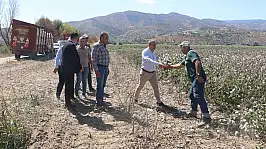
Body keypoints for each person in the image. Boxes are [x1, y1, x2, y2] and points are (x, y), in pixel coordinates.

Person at [165, 41, 212, 125]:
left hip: (198, 78)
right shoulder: (187, 56)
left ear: (185, 47)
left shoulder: (191, 53)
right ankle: (193, 112)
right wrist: (170, 66)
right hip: (195, 78)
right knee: (192, 95)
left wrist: (197, 74)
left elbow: (197, 62)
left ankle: (206, 117)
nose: (181, 50)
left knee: (198, 96)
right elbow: (180, 65)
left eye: (181, 48)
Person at [134, 40, 167, 107]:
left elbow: (153, 62)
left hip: (153, 73)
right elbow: (149, 60)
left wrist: (159, 65)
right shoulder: (145, 52)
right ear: (149, 45)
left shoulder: (153, 51)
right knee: (140, 86)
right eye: (153, 45)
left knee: (156, 87)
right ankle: (135, 99)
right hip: (145, 73)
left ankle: (159, 101)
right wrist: (158, 64)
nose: (155, 46)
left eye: (155, 45)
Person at [60, 32, 82, 109]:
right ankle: (68, 103)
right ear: (75, 38)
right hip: (69, 69)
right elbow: (75, 58)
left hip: (65, 68)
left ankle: (68, 101)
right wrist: (79, 68)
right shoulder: (71, 46)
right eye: (77, 39)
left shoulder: (65, 45)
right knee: (69, 86)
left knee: (67, 85)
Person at [91, 32, 110, 107]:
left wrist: (107, 68)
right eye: (106, 38)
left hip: (105, 68)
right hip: (100, 68)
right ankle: (98, 102)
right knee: (100, 85)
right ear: (101, 38)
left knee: (103, 85)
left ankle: (101, 100)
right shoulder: (97, 46)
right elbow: (94, 59)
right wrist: (96, 70)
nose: (107, 39)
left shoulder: (104, 46)